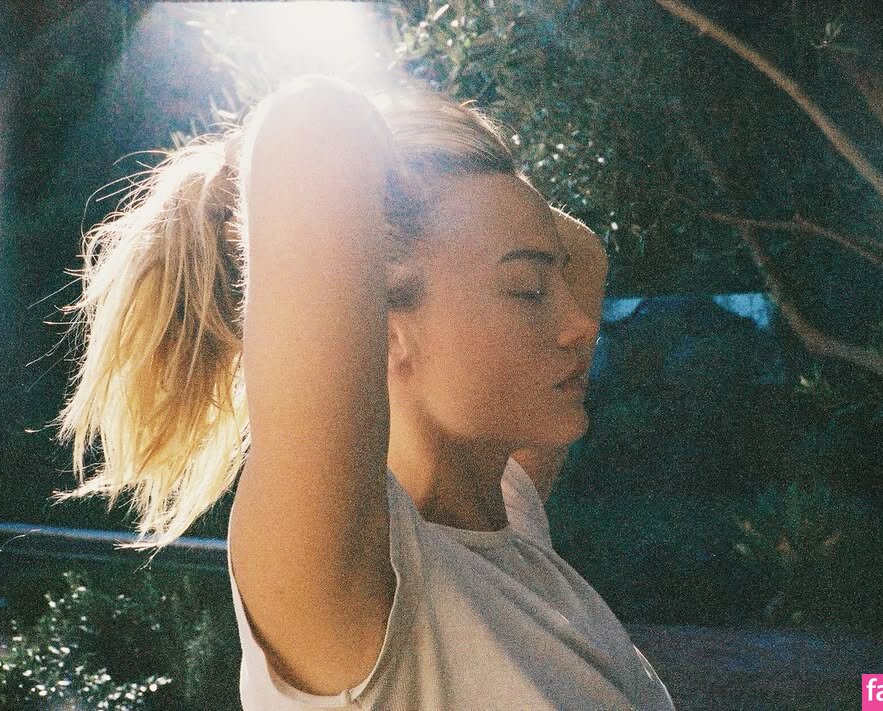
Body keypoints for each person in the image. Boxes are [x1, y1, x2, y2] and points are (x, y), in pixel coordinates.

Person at [52, 74, 675, 709]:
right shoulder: (353, 585)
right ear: (384, 326)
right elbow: (312, 125)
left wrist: (453, 197)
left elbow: (582, 252)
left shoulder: (510, 519)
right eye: (528, 289)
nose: (581, 324)